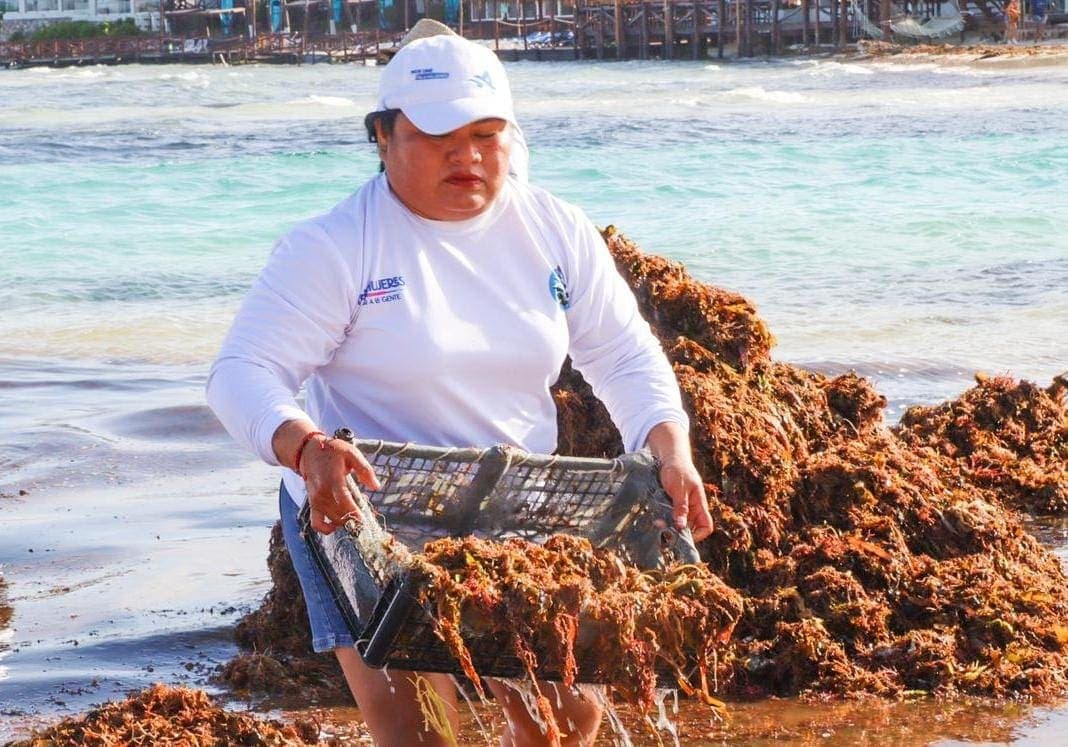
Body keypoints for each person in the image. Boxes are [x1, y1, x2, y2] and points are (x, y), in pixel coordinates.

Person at [207, 20, 712, 747]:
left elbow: (624, 355)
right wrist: (305, 446)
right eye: (438, 136)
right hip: (359, 513)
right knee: (422, 733)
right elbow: (242, 372)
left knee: (563, 722)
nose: (466, 155)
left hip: (517, 505)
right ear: (383, 137)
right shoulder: (333, 246)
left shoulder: (554, 229)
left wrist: (670, 449)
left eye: (485, 134)